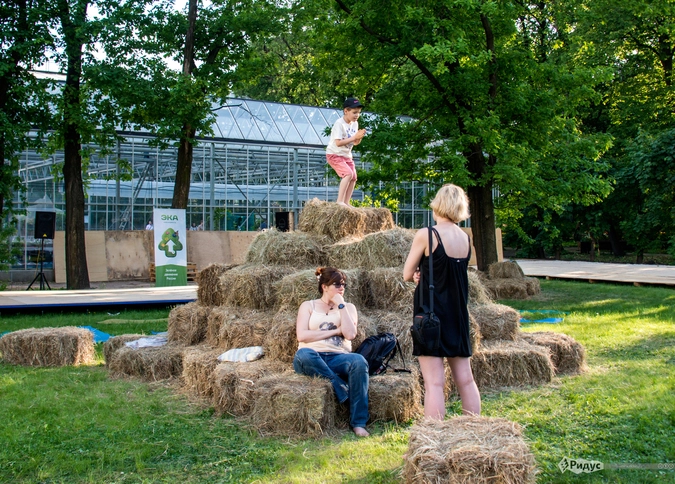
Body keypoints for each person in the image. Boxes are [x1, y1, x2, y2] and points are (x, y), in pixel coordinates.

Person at [403, 184, 481, 419]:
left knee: (434, 383)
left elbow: (407, 274)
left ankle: (434, 433)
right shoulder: (465, 238)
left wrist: (418, 273)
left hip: (431, 314)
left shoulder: (427, 234)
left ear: (438, 205)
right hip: (458, 314)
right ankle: (474, 427)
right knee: (466, 379)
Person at [293, 267, 370, 437]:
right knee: (303, 355)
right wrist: (335, 331)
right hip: (312, 358)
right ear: (324, 287)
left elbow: (350, 334)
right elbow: (302, 336)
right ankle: (340, 387)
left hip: (338, 357)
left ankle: (359, 423)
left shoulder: (348, 307)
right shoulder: (308, 306)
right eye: (336, 284)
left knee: (359, 361)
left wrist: (340, 304)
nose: (341, 288)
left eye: (343, 284)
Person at [325, 97, 367, 207]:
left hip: (346, 155)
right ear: (346, 111)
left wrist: (359, 137)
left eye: (358, 112)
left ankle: (346, 202)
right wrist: (354, 137)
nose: (357, 115)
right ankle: (339, 201)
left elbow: (355, 142)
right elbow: (338, 143)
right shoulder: (339, 124)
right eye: (354, 112)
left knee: (354, 177)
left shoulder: (355, 124)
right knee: (348, 174)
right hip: (334, 154)